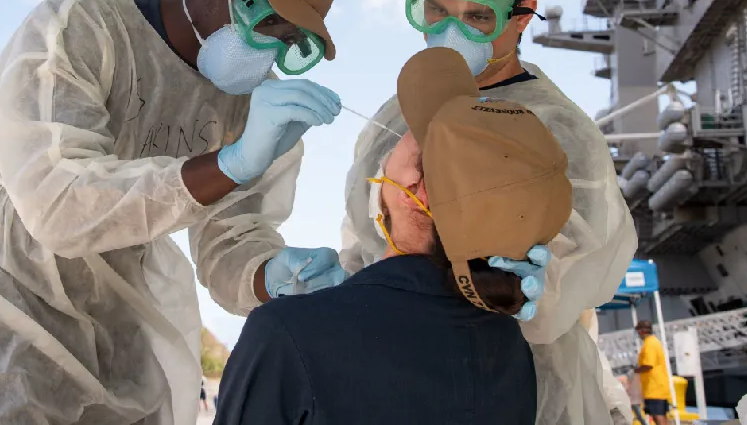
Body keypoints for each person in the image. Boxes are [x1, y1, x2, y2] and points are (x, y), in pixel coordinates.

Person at [0, 0, 350, 425]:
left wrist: (270, 274)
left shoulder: (260, 109)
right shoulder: (82, 28)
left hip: (116, 298)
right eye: (267, 22)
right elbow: (58, 205)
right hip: (0, 275)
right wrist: (229, 164)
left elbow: (231, 240)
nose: (272, 48)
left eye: (293, 41)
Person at [339, 0, 638, 424]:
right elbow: (362, 245)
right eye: (436, 9)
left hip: (520, 388)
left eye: (478, 16)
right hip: (396, 374)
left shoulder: (559, 131)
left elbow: (554, 299)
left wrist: (533, 290)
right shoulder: (392, 119)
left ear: (523, 15)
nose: (452, 30)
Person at [214, 47, 573, 425]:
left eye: (412, 135)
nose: (389, 147)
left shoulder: (286, 334)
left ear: (416, 190)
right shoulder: (508, 345)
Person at [634, 321, 672, 425]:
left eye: (638, 331)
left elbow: (648, 365)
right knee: (661, 416)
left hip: (654, 388)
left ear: (642, 331)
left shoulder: (649, 344)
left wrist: (635, 371)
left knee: (657, 416)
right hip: (659, 386)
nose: (637, 334)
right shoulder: (654, 342)